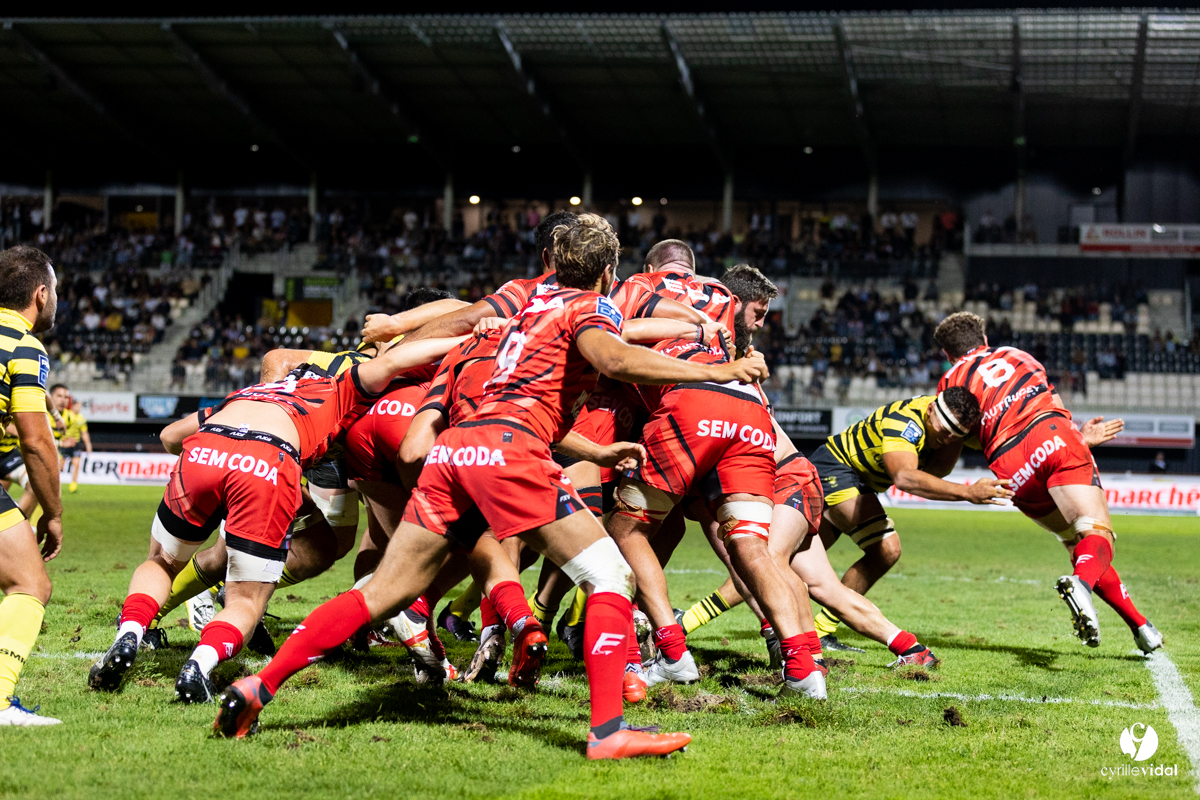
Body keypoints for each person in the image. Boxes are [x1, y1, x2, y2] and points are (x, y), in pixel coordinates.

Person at [214, 214, 767, 760]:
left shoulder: (522, 301)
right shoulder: (591, 306)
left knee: (381, 593)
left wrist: (597, 450)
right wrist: (718, 370)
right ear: (609, 269)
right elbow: (615, 357)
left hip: (455, 448)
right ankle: (607, 732)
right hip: (511, 451)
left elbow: (473, 334)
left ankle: (258, 687)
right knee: (609, 575)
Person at [87, 334, 466, 703]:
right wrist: (467, 339)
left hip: (209, 445)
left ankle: (132, 631)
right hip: (270, 460)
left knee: (161, 561)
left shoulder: (249, 393)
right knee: (247, 599)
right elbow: (394, 361)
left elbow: (171, 437)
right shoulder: (341, 388)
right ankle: (200, 666)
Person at [934, 311, 1162, 653]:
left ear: (947, 354)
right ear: (983, 339)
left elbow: (957, 437)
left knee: (1076, 544)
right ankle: (1081, 586)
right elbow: (1052, 401)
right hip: (1048, 432)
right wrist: (1077, 438)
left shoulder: (949, 383)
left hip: (1009, 467)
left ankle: (1141, 626)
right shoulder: (1014, 355)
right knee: (1096, 533)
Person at [806, 389, 1011, 655]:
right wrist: (968, 492)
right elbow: (905, 477)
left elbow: (1005, 443)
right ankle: (820, 629)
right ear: (930, 411)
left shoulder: (946, 431)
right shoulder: (905, 422)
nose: (947, 438)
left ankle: (799, 626)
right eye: (945, 429)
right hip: (836, 468)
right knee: (886, 549)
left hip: (855, 480)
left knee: (791, 556)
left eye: (956, 435)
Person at [0, 246, 63, 726]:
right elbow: (37, 442)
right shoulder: (22, 345)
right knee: (29, 581)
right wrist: (53, 513)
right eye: (56, 291)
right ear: (40, 295)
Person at [48, 386, 90, 494]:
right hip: (62, 444)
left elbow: (84, 432)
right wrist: (62, 442)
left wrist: (88, 444)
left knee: (76, 464)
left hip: (74, 443)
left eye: (66, 397)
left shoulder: (77, 418)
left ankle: (73, 485)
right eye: (59, 396)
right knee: (59, 467)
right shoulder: (65, 415)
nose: (63, 400)